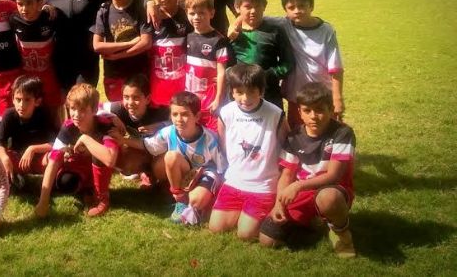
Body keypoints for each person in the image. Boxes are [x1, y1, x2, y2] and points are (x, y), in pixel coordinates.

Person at [259, 82, 356, 258]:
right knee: (268, 240)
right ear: (300, 112)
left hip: (332, 189)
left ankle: (342, 233)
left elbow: (334, 176)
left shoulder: (342, 133)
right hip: (304, 193)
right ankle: (315, 221)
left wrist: (297, 187)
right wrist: (279, 203)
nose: (313, 116)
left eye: (319, 109)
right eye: (307, 110)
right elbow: (287, 174)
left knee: (329, 198)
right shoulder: (293, 137)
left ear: (331, 109)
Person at [113, 91, 224, 225]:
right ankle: (180, 200)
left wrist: (216, 189)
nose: (179, 119)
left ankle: (200, 201)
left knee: (197, 201)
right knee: (171, 157)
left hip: (205, 172)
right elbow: (147, 144)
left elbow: (222, 168)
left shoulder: (210, 140)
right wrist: (123, 140)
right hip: (185, 170)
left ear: (197, 116)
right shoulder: (169, 132)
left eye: (185, 114)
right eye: (175, 114)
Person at [209, 64, 289, 240]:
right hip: (234, 181)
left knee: (245, 234)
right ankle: (243, 211)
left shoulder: (275, 114)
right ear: (232, 92)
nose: (245, 98)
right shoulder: (226, 112)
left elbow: (287, 147)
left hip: (263, 185)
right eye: (239, 92)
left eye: (251, 91)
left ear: (262, 91)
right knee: (216, 228)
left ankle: (262, 215)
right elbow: (223, 143)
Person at [35, 83, 119, 218]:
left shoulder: (104, 125)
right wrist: (43, 201)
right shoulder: (68, 127)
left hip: (103, 164)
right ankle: (87, 188)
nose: (76, 114)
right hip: (81, 166)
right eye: (73, 109)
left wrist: (86, 139)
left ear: (94, 110)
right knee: (65, 182)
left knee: (100, 152)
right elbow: (53, 161)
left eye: (82, 110)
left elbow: (110, 160)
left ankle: (102, 198)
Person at [278, 0, 344, 127]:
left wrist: (337, 98)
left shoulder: (326, 30)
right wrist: (237, 22)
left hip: (322, 93)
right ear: (285, 10)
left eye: (302, 6)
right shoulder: (285, 25)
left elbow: (336, 67)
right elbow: (259, 17)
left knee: (326, 130)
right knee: (298, 131)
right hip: (297, 94)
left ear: (311, 6)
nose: (297, 11)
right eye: (291, 8)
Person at [92, 0, 153, 102]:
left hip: (138, 73)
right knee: (117, 113)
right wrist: (130, 43)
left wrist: (117, 55)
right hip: (114, 74)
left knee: (138, 111)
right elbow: (98, 46)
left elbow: (146, 43)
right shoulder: (104, 11)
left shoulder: (139, 8)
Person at [228, 0, 295, 111]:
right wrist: (233, 77)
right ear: (237, 7)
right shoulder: (232, 34)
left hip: (269, 93)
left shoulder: (275, 30)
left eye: (257, 6)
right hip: (240, 94)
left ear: (264, 6)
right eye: (247, 7)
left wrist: (269, 75)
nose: (253, 11)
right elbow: (225, 63)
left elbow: (288, 62)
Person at [100, 74, 169, 188]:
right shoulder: (119, 108)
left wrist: (161, 125)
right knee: (127, 161)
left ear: (147, 99)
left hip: (159, 151)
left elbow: (177, 121)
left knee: (160, 165)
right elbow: (95, 108)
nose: (130, 102)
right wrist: (112, 117)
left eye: (136, 98)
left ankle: (162, 179)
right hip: (141, 148)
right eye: (126, 97)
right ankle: (144, 172)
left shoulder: (159, 111)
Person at [10, 0, 63, 121]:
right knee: (30, 115)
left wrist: (50, 7)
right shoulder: (14, 20)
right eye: (20, 4)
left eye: (29, 3)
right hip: (27, 78)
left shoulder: (50, 17)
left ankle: (59, 141)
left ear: (39, 3)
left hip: (49, 77)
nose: (24, 8)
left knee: (54, 114)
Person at [0, 76, 57, 187]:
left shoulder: (43, 113)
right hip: (18, 158)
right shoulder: (9, 115)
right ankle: (18, 176)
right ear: (13, 99)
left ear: (37, 101)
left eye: (27, 100)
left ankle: (30, 178)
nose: (21, 105)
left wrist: (32, 149)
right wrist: (4, 157)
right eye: (18, 100)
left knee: (55, 156)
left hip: (40, 157)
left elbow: (55, 144)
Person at [185, 0, 228, 131]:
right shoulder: (188, 37)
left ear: (212, 13)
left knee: (212, 135)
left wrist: (218, 99)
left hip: (209, 101)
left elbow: (222, 73)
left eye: (201, 13)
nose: (196, 17)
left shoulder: (218, 40)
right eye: (192, 13)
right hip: (191, 99)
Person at [148, 0, 190, 108]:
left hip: (182, 82)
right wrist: (148, 3)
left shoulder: (187, 15)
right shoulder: (151, 16)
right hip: (159, 84)